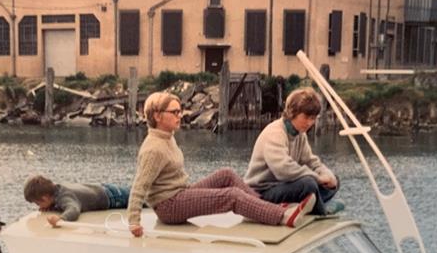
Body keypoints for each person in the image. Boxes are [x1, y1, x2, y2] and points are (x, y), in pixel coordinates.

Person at [127, 91, 315, 238]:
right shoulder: (153, 149)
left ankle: (263, 209)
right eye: (174, 112)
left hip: (180, 194)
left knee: (227, 174)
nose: (180, 115)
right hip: (169, 207)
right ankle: (283, 216)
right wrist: (134, 222)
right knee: (231, 196)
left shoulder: (167, 137)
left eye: (180, 110)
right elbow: (139, 186)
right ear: (158, 116)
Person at [244, 87, 342, 215]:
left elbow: (310, 161)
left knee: (335, 180)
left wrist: (327, 175)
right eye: (306, 117)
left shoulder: (300, 134)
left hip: (283, 186)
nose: (309, 123)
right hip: (261, 192)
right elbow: (283, 170)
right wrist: (318, 178)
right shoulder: (275, 133)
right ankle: (320, 211)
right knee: (308, 184)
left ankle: (307, 204)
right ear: (292, 112)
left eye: (313, 118)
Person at [23, 174, 130, 227]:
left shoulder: (63, 197)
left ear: (45, 198)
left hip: (113, 197)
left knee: (141, 198)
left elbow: (73, 209)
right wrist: (50, 206)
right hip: (102, 188)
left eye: (38, 203)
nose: (39, 206)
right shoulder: (58, 189)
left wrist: (60, 218)